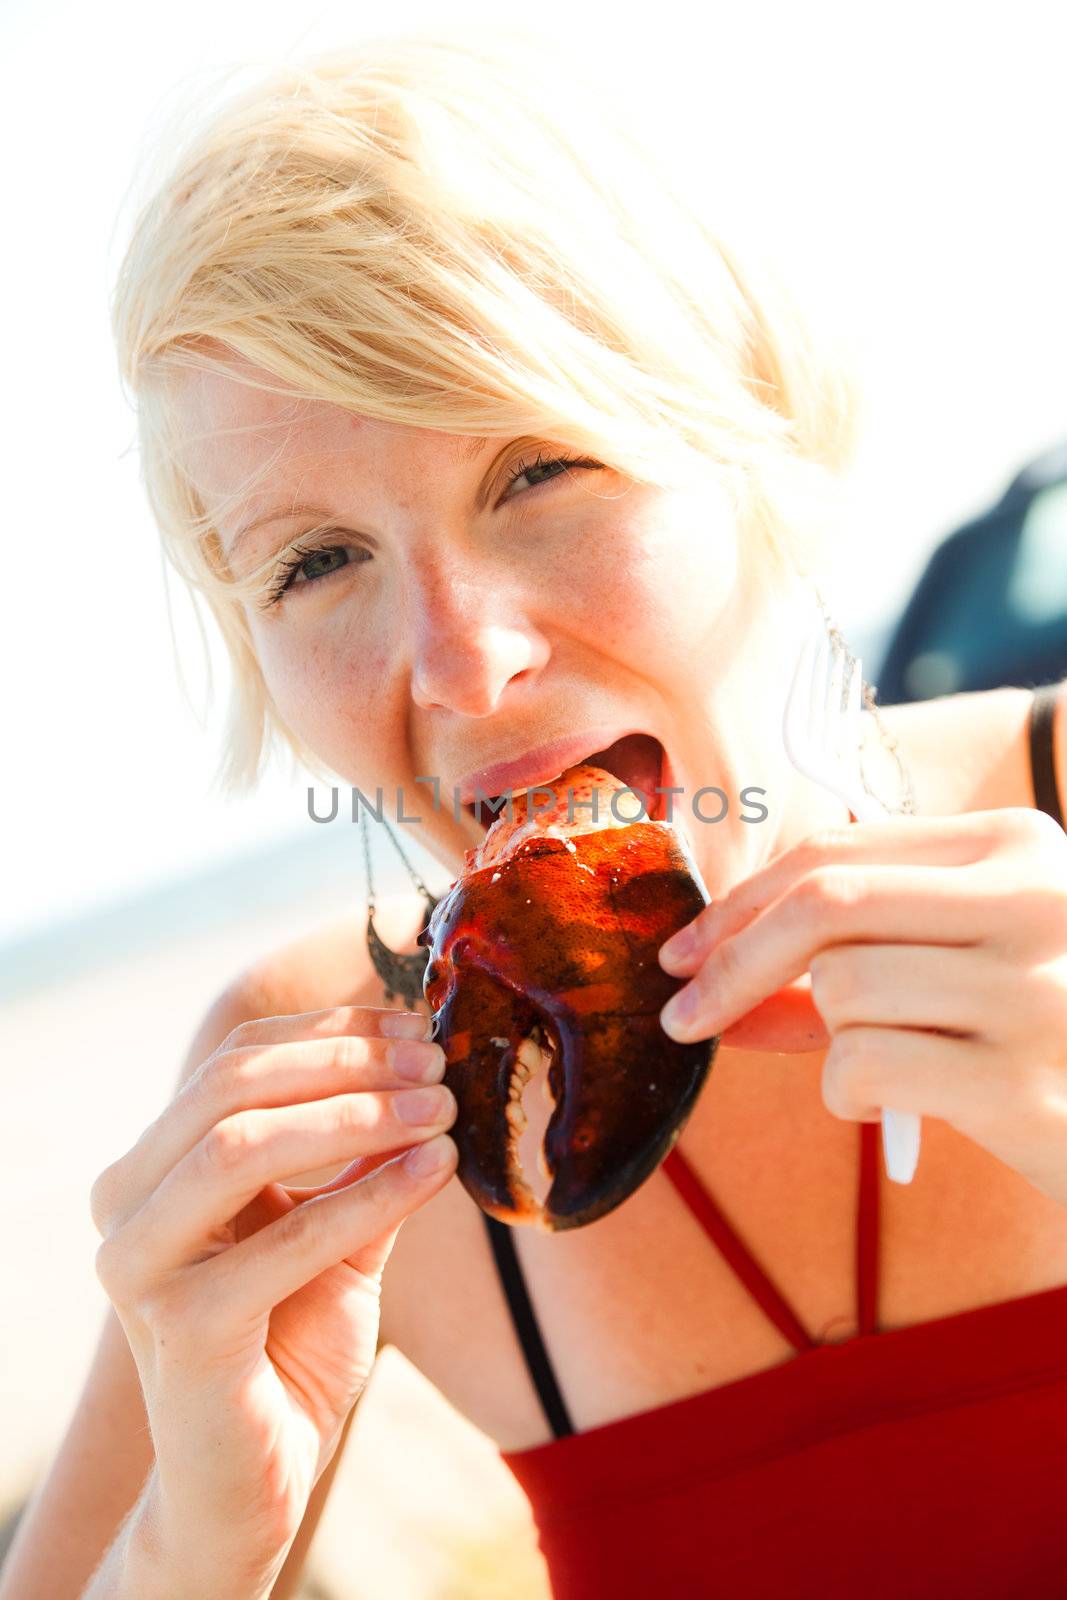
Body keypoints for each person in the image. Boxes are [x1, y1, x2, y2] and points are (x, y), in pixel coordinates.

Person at [4, 24, 1067, 1600]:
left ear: (755, 427)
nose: (461, 665)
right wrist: (195, 1549)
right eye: (316, 561)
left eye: (541, 470)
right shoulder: (321, 1109)